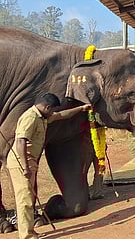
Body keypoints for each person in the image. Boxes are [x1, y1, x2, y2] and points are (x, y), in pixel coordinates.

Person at [6, 93, 91, 239]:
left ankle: (29, 230)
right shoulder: (30, 118)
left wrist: (81, 108)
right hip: (21, 162)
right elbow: (20, 142)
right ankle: (26, 235)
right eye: (52, 110)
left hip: (29, 161)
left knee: (29, 197)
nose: (52, 113)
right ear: (47, 107)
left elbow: (61, 115)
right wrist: (25, 167)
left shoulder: (42, 116)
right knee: (25, 199)